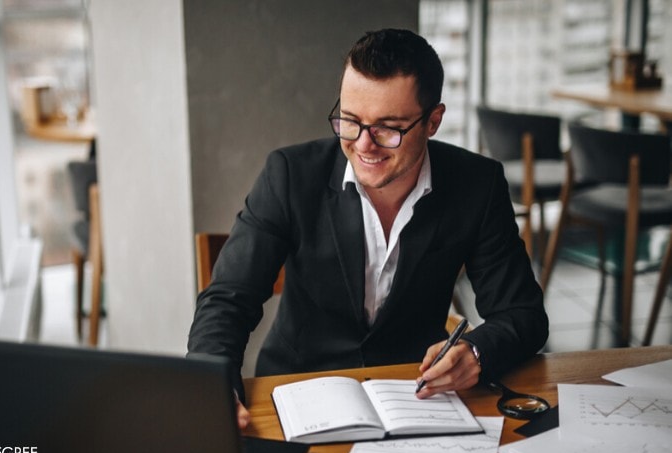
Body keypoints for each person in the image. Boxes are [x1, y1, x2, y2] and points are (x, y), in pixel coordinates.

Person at [188, 28, 548, 429]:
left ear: (433, 121)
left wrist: (477, 352)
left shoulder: (477, 185)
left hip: (415, 399)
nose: (363, 145)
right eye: (349, 120)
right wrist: (211, 382)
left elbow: (523, 315)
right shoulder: (289, 175)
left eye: (387, 128)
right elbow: (227, 300)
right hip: (297, 390)